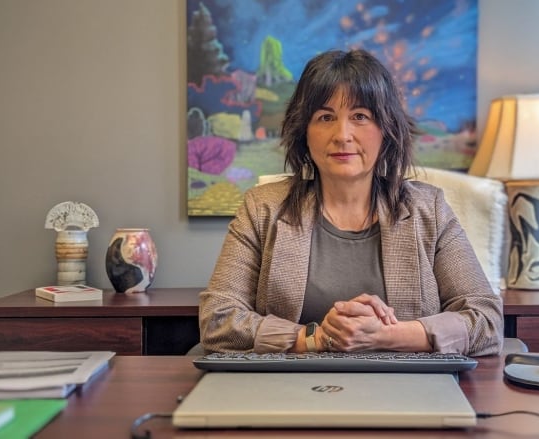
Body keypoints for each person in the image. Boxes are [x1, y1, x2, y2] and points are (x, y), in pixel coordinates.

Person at [198, 49, 503, 356]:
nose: (342, 135)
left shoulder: (429, 210)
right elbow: (218, 319)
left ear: (387, 129)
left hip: (407, 388)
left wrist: (385, 336)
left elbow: (486, 321)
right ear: (304, 131)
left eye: (360, 117)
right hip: (289, 386)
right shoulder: (262, 208)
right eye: (325, 117)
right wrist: (316, 338)